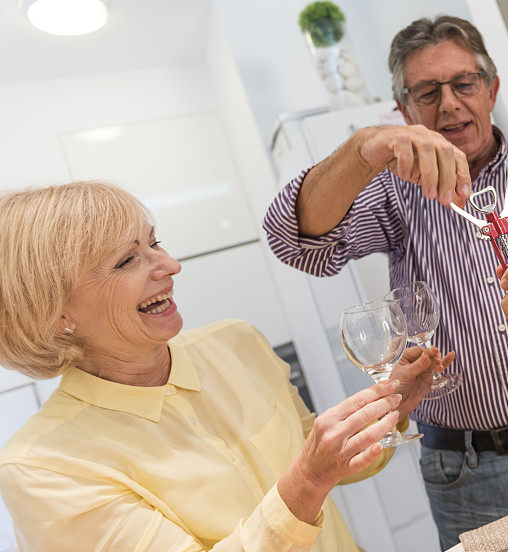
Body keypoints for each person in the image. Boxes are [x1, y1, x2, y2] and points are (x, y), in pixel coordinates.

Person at [264, 15, 508, 549]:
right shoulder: (393, 193)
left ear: (491, 89)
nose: (448, 104)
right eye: (426, 92)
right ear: (403, 110)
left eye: (463, 84)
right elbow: (293, 239)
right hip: (467, 470)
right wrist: (364, 148)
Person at [0, 181, 449, 552]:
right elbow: (312, 474)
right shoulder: (44, 467)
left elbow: (340, 463)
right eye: (126, 260)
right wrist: (308, 479)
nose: (171, 266)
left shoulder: (237, 343)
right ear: (55, 312)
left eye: (154, 243)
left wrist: (391, 405)